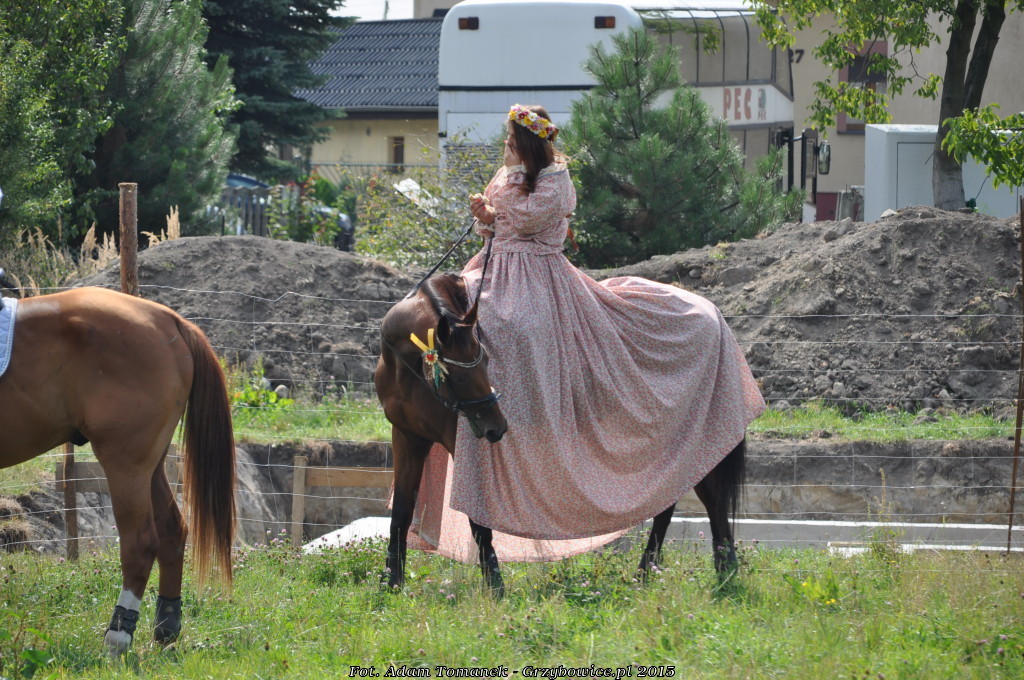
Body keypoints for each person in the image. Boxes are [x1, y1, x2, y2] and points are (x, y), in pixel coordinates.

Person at [409, 104, 765, 562]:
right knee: (459, 324)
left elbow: (530, 219)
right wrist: (484, 216)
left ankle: (530, 410)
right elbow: (493, 226)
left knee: (518, 326)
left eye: (513, 141)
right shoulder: (508, 173)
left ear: (530, 143)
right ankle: (469, 405)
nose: (506, 147)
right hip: (494, 267)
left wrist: (496, 211)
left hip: (537, 274)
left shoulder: (555, 180)